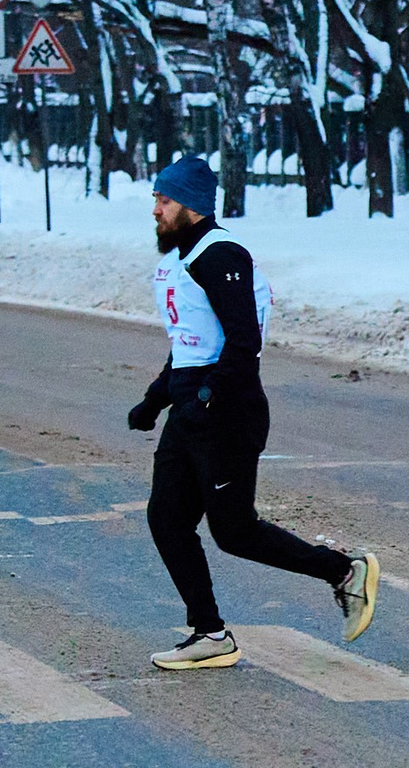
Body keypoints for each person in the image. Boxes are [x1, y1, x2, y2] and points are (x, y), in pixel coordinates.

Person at [128, 156, 377, 670]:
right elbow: (191, 343)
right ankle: (210, 633)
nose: (155, 209)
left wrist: (207, 399)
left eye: (164, 200)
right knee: (167, 520)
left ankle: (344, 572)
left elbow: (244, 342)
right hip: (193, 411)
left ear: (191, 205)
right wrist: (158, 399)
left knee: (235, 532)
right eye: (155, 198)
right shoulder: (186, 256)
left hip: (226, 415)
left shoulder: (221, 256)